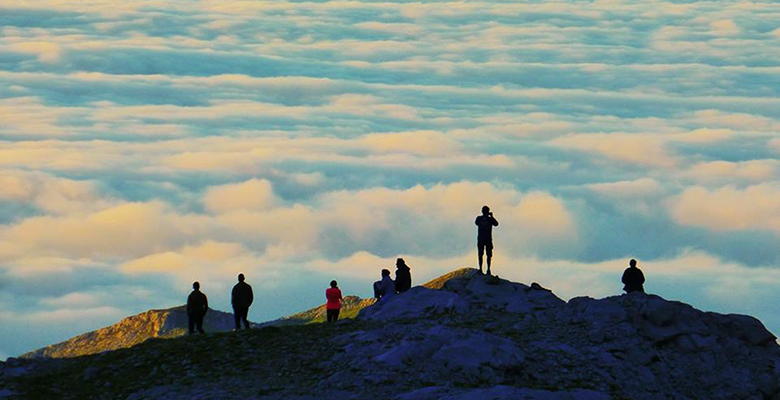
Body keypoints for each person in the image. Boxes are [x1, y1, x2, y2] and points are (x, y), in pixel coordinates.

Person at [475, 205, 499, 275]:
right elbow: (476, 223)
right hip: (482, 239)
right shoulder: (479, 218)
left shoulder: (489, 219)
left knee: (488, 255)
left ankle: (487, 269)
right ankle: (481, 269)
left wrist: (491, 217)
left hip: (486, 239)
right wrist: (490, 217)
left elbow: (496, 224)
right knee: (481, 254)